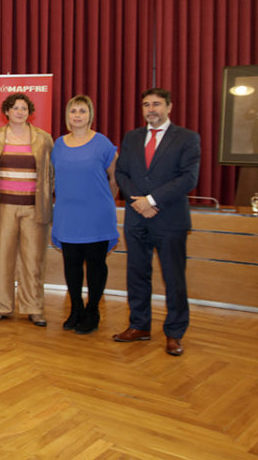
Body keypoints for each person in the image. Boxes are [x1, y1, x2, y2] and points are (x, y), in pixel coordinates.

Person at [113, 88, 200, 356]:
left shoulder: (187, 138)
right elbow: (121, 173)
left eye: (157, 104)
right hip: (136, 218)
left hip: (170, 219)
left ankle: (174, 333)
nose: (151, 109)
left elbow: (188, 178)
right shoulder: (132, 137)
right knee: (137, 274)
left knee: (174, 278)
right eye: (146, 104)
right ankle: (139, 326)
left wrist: (151, 200)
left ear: (169, 107)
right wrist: (138, 202)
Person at [50, 95, 119, 335]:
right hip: (68, 215)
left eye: (82, 111)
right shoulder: (59, 144)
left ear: (90, 115)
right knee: (72, 265)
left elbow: (114, 178)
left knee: (96, 265)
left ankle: (93, 311)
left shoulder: (102, 143)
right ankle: (76, 309)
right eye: (73, 111)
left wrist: (103, 202)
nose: (77, 115)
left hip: (97, 215)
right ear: (67, 116)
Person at [0, 92, 54, 326]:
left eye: (24, 108)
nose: (19, 112)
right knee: (0, 259)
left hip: (34, 209)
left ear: (29, 112)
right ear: (6, 111)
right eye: (15, 108)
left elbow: (50, 174)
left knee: (33, 260)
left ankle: (34, 307)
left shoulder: (44, 139)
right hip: (2, 208)